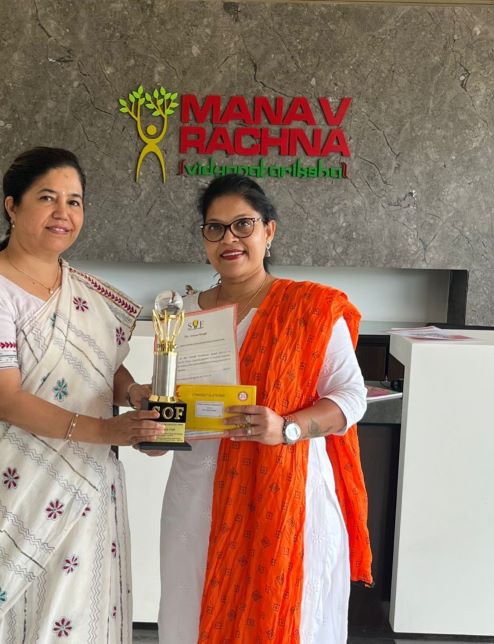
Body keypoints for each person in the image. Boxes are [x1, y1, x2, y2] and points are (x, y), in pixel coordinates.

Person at [0, 147, 162, 643]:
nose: (63, 213)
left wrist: (133, 394)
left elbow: (104, 365)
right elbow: (2, 398)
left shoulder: (83, 291)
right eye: (47, 198)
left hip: (88, 486)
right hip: (14, 490)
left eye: (74, 201)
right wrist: (106, 430)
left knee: (84, 614)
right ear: (12, 206)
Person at [158, 175, 373, 644]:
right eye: (215, 228)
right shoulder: (180, 314)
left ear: (269, 231)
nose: (229, 239)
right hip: (197, 499)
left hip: (286, 495)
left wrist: (288, 427)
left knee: (283, 611)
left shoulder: (310, 308)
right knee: (191, 613)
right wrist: (156, 431)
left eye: (243, 224)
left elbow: (351, 397)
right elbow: (172, 405)